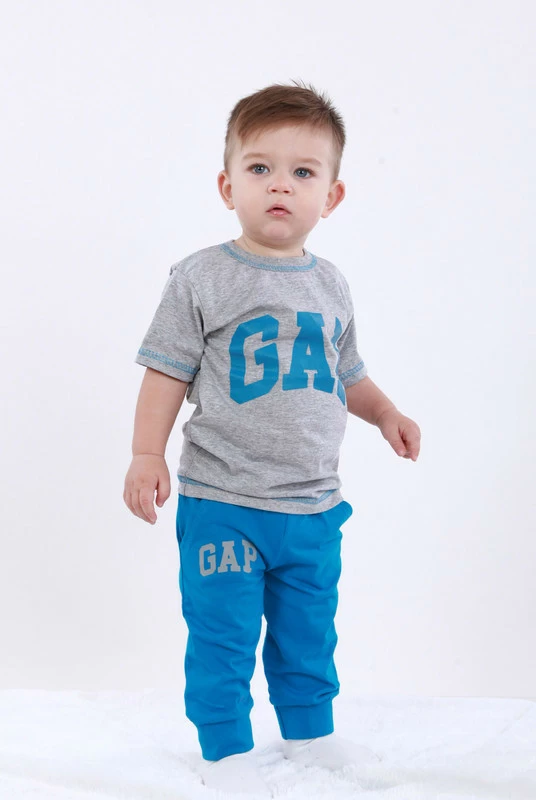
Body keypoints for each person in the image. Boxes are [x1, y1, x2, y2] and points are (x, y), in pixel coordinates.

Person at [124, 80, 421, 797]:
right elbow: (166, 372)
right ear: (228, 186)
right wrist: (145, 453)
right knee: (223, 635)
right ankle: (224, 747)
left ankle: (309, 733)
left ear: (332, 196)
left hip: (313, 506)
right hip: (225, 500)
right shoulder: (202, 277)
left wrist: (385, 413)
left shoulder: (332, 285)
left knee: (308, 631)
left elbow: (348, 374)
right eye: (260, 168)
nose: (280, 185)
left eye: (302, 171)